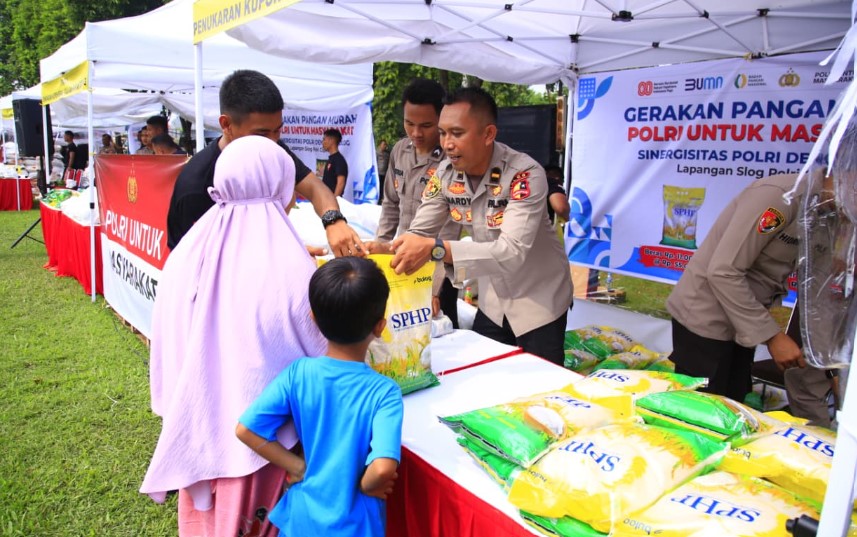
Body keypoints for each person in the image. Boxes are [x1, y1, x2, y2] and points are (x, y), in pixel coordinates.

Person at [141, 136, 328, 537]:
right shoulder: (290, 266)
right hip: (267, 450)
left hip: (200, 428)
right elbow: (322, 351)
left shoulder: (190, 249)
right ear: (278, 182)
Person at [390, 87, 574, 365]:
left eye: (457, 133)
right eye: (442, 133)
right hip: (493, 300)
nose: (447, 144)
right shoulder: (445, 174)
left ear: (488, 134)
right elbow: (420, 233)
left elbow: (511, 251)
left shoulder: (524, 174)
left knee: (541, 382)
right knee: (484, 374)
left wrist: (435, 249)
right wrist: (388, 251)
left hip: (539, 301)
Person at [236, 256, 403, 537]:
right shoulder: (384, 392)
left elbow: (246, 429)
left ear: (312, 318)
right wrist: (366, 485)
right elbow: (384, 468)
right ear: (380, 326)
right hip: (355, 527)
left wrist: (297, 466)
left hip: (301, 520)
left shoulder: (298, 373)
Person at [166, 70, 363, 255]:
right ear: (226, 125)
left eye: (277, 130)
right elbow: (189, 260)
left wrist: (333, 220)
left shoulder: (274, 151)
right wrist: (272, 257)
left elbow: (314, 187)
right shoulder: (195, 185)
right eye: (261, 133)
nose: (272, 141)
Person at [665, 173, 810, 402]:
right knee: (701, 408)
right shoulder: (780, 196)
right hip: (705, 316)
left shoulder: (826, 209)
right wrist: (773, 337)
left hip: (745, 318)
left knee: (734, 401)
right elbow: (723, 271)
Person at [369, 78, 462, 328]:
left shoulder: (453, 160)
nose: (416, 133)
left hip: (438, 271)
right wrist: (379, 251)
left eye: (426, 125)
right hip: (402, 261)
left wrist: (433, 289)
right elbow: (390, 204)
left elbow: (450, 229)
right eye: (409, 123)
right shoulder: (400, 151)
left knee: (441, 332)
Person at [321, 128, 348, 197]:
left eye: (324, 139)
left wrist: (334, 200)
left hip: (332, 201)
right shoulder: (331, 159)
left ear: (331, 140)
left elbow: (340, 183)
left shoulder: (339, 160)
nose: (322, 142)